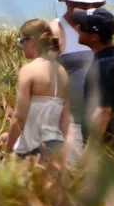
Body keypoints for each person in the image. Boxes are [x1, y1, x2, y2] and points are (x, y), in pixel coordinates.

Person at [50, 0, 105, 163]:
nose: (77, 6)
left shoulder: (98, 27)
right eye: (73, 2)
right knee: (72, 169)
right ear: (66, 2)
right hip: (70, 115)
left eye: (82, 2)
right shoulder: (57, 27)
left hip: (101, 112)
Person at [5, 19, 70, 160]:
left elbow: (18, 118)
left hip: (31, 150)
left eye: (21, 41)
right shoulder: (63, 72)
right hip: (56, 148)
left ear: (33, 41)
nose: (21, 46)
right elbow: (65, 120)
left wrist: (8, 152)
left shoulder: (29, 70)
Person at [76, 7, 114, 148]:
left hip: (105, 148)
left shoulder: (105, 65)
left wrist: (89, 153)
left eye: (82, 27)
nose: (77, 28)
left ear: (95, 37)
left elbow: (103, 111)